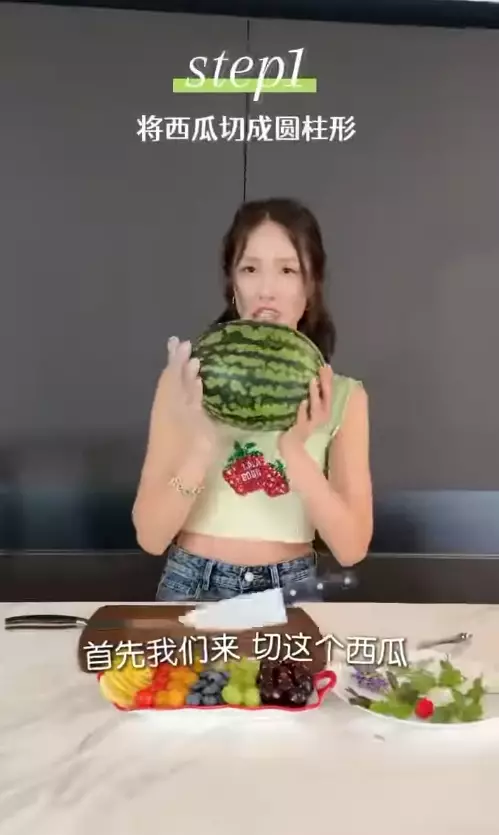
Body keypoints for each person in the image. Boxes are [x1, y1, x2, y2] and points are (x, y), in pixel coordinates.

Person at [132, 197, 373, 601]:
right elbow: (151, 537)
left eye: (287, 270)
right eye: (250, 269)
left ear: (310, 286)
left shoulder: (343, 397)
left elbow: (351, 549)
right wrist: (202, 443)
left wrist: (294, 450)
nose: (266, 290)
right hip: (192, 584)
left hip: (291, 588)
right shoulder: (186, 382)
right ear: (233, 285)